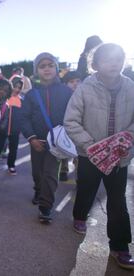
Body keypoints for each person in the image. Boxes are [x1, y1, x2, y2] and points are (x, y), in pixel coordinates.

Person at [64, 43, 134, 270]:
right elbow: (71, 121)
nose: (114, 63)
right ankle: (79, 216)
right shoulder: (85, 88)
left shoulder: (130, 87)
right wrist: (92, 147)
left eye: (118, 59)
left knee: (117, 200)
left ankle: (120, 246)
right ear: (95, 65)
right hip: (89, 155)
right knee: (86, 189)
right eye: (108, 60)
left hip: (119, 157)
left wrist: (125, 144)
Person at [20, 52, 72, 223]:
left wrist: (68, 135)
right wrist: (31, 138)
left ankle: (45, 207)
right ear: (37, 71)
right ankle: (38, 189)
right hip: (37, 141)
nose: (47, 69)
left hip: (57, 143)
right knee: (37, 173)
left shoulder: (66, 92)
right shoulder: (31, 94)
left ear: (56, 68)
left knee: (50, 174)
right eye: (42, 66)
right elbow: (24, 118)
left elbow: (73, 115)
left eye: (50, 65)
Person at [0, 77, 23, 175]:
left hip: (15, 130)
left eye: (19, 87)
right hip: (2, 129)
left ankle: (11, 165)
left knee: (13, 149)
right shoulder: (5, 97)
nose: (17, 89)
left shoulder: (21, 100)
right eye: (15, 86)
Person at [59, 70, 82, 181]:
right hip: (65, 128)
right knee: (64, 149)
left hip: (80, 128)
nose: (75, 84)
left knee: (79, 152)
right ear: (65, 84)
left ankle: (79, 174)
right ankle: (63, 169)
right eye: (71, 81)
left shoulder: (84, 95)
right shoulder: (63, 96)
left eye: (78, 81)